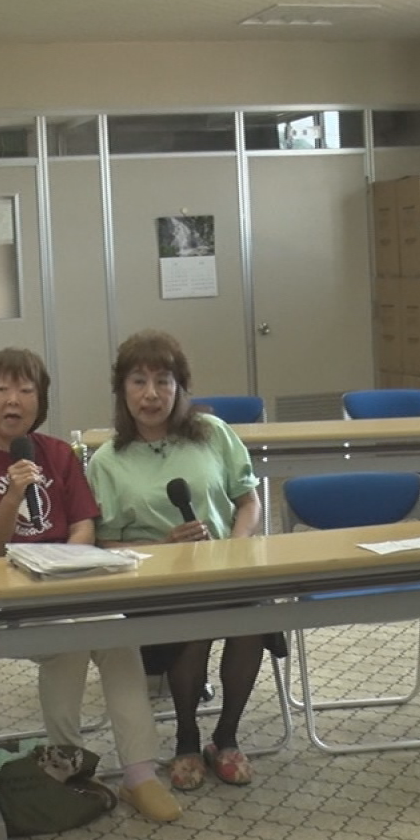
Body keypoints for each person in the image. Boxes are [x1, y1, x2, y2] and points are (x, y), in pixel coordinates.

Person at [0, 348, 181, 823]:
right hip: (5, 603)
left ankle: (139, 774)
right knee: (69, 642)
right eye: (2, 389)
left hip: (67, 586)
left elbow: (83, 523)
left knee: (117, 634)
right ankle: (70, 763)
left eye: (25, 390)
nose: (13, 400)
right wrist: (12, 495)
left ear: (41, 401)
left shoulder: (56, 455)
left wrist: (67, 564)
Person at [85, 330, 270, 791]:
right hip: (155, 585)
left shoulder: (213, 434)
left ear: (180, 387)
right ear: (122, 390)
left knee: (254, 619)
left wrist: (235, 544)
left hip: (223, 569)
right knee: (194, 623)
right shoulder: (108, 461)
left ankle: (225, 737)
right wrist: (163, 547)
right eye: (139, 382)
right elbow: (103, 545)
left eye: (163, 381)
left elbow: (248, 501)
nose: (151, 394)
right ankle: (186, 739)